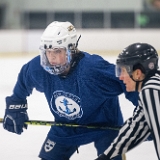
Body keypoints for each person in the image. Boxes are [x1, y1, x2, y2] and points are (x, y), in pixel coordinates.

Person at [2, 21, 138, 160]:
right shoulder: (39, 68)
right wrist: (16, 105)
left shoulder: (92, 69)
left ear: (71, 49)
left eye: (57, 51)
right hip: (65, 126)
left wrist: (146, 113)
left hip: (104, 127)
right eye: (48, 51)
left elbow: (128, 80)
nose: (51, 56)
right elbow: (25, 79)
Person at [95, 42, 160, 160]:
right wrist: (105, 157)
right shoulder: (151, 90)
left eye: (123, 71)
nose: (120, 77)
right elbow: (135, 128)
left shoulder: (151, 90)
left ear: (137, 73)